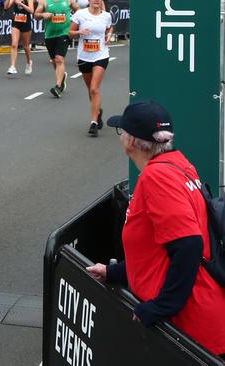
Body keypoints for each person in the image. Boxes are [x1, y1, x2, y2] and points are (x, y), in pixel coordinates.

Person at [86, 101, 225, 358]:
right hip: (201, 317)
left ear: (131, 142)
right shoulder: (179, 163)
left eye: (122, 131)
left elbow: (189, 245)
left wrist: (160, 308)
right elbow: (157, 249)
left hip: (190, 331)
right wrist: (113, 271)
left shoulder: (156, 178)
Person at [69, 0, 112, 137]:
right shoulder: (80, 14)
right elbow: (70, 32)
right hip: (84, 57)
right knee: (90, 89)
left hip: (101, 55)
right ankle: (98, 111)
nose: (96, 1)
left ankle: (93, 123)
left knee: (94, 88)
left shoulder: (106, 16)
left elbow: (110, 27)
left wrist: (109, 34)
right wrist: (79, 31)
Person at [35, 0, 79, 98]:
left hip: (64, 33)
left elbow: (78, 10)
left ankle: (58, 86)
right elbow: (36, 14)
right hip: (50, 35)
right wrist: (43, 15)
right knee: (54, 61)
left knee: (59, 59)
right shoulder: (44, 2)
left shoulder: (68, 1)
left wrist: (73, 21)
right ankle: (62, 77)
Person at [4, 0, 34, 75]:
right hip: (16, 23)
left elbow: (31, 10)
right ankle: (12, 66)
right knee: (14, 44)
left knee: (26, 46)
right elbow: (6, 7)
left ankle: (29, 62)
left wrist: (21, 4)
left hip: (26, 23)